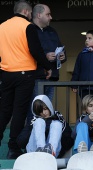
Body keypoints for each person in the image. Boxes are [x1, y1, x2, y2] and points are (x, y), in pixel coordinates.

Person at [0, 0, 52, 159]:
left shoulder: (2, 26)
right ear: (27, 12)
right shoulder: (27, 26)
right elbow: (35, 50)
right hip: (25, 73)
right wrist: (47, 66)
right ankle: (13, 148)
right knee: (19, 112)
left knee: (4, 111)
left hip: (6, 73)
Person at [26, 4, 66, 125]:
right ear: (39, 15)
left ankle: (46, 138)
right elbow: (28, 51)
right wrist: (45, 57)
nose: (51, 17)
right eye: (48, 14)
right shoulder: (29, 29)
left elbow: (61, 48)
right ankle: (31, 138)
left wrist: (62, 56)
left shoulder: (52, 31)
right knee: (35, 109)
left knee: (47, 109)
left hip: (52, 76)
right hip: (36, 76)